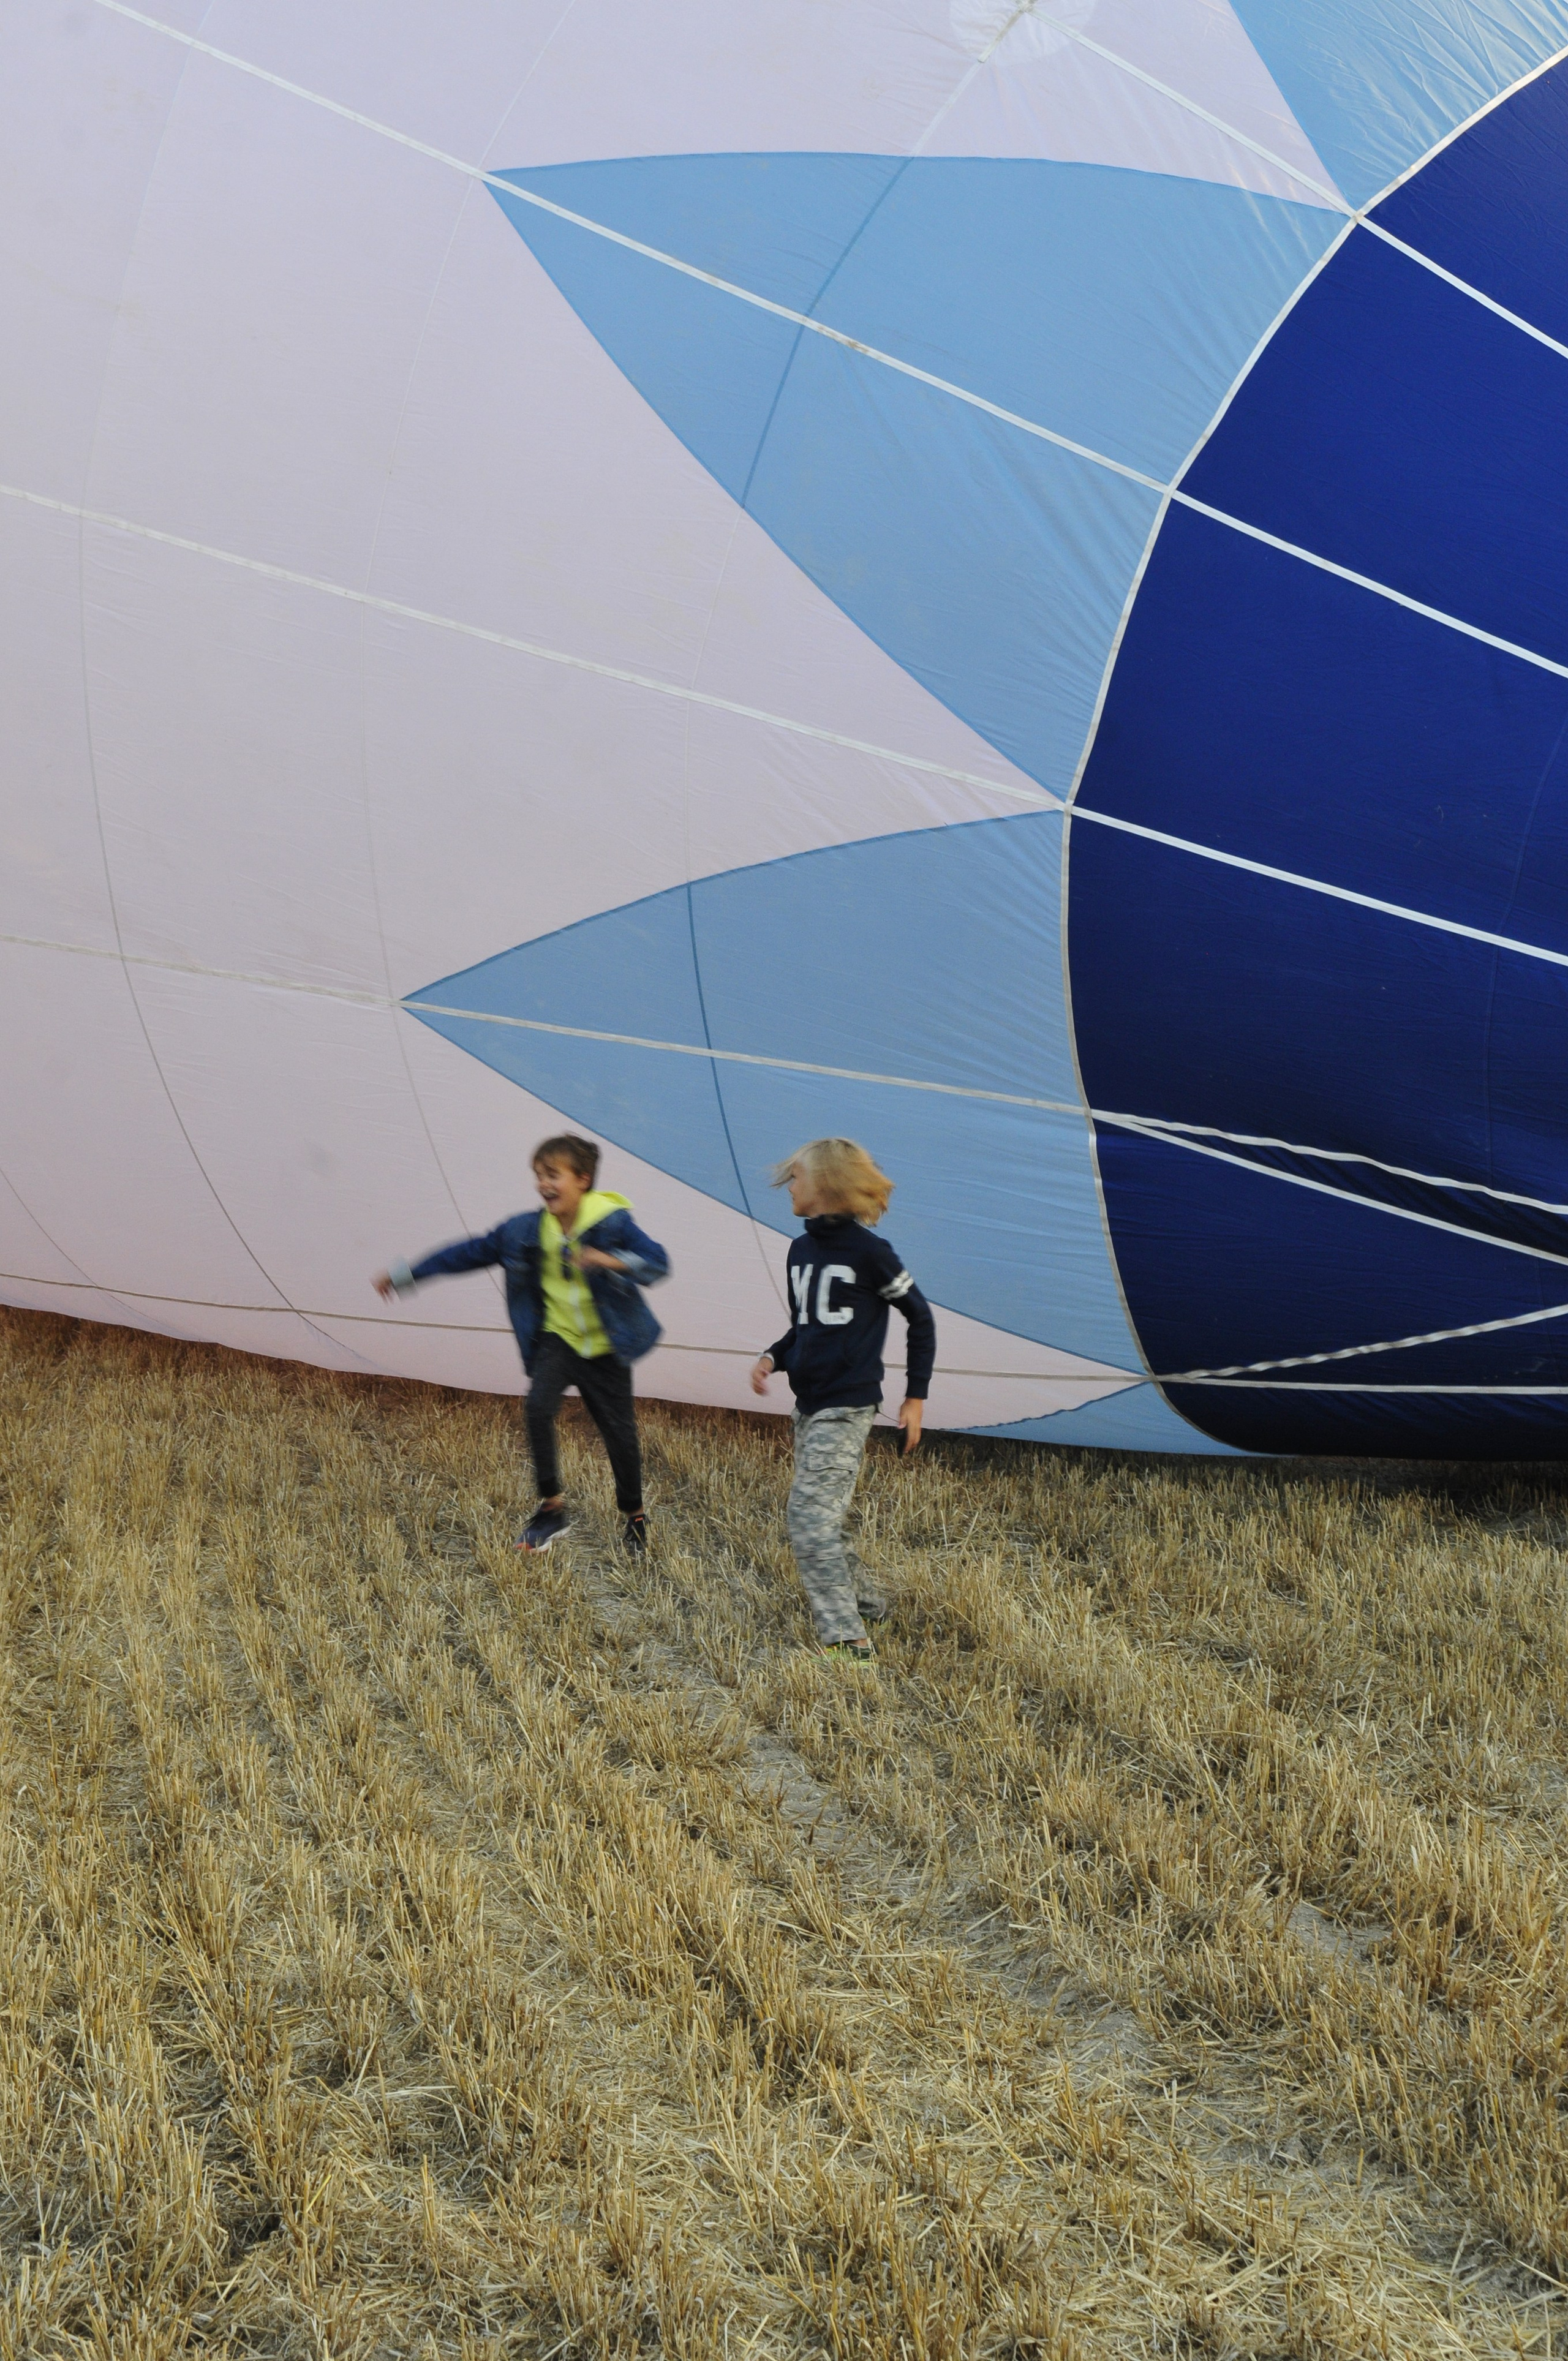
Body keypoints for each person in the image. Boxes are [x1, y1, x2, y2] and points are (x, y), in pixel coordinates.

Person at [374, 1135, 669, 1553]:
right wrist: (410, 1274)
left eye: (553, 1175)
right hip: (559, 1340)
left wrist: (607, 1259)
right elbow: (471, 1252)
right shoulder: (524, 1231)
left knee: (619, 1433)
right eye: (538, 1175)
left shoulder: (613, 1224)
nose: (543, 1184)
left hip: (606, 1348)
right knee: (537, 1407)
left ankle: (635, 1516)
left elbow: (658, 1262)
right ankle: (552, 1509)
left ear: (582, 1179)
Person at [750, 1138, 936, 1662]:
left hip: (847, 1406)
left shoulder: (871, 1253)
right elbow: (807, 1327)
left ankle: (847, 1638)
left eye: (796, 1177)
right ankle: (870, 1602)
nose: (789, 1186)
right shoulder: (799, 1250)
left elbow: (920, 1317)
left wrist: (915, 1396)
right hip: (806, 1405)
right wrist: (773, 1356)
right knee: (831, 1515)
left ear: (826, 1185)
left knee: (808, 1518)